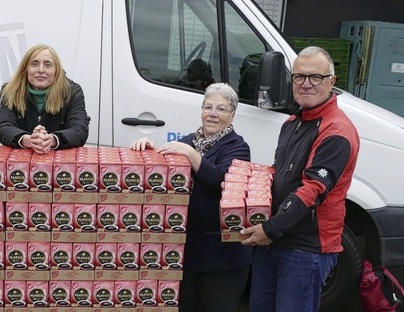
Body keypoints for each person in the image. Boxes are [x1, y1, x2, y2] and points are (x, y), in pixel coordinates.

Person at [240, 46, 360, 312]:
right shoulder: (293, 122)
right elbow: (280, 174)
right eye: (299, 77)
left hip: (305, 249)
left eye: (315, 77)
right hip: (274, 240)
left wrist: (269, 229)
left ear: (332, 82)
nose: (306, 84)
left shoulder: (336, 131)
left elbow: (312, 191)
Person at [131, 83, 252, 312]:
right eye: (208, 107)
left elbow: (220, 179)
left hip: (222, 260)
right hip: (187, 254)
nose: (213, 114)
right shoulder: (188, 142)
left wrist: (190, 154)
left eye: (221, 109)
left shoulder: (238, 147)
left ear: (232, 115)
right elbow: (161, 172)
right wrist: (146, 149)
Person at [0, 43, 90, 153]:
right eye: (34, 64)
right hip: (20, 163)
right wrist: (28, 140)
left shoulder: (72, 92)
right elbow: (3, 127)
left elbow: (80, 130)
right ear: (25, 69)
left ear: (56, 70)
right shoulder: (9, 90)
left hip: (60, 165)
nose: (41, 70)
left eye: (48, 65)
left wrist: (52, 140)